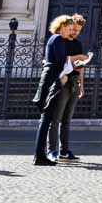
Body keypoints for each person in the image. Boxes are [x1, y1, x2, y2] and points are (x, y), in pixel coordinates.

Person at [32, 16, 76, 166]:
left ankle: (39, 155)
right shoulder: (57, 39)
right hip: (51, 81)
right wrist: (75, 62)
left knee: (45, 120)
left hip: (49, 79)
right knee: (46, 120)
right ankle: (39, 156)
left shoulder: (54, 39)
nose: (71, 32)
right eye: (69, 29)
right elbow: (59, 61)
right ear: (62, 26)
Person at [47, 13, 89, 161]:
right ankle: (52, 150)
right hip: (62, 82)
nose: (75, 33)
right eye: (74, 29)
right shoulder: (61, 41)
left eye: (78, 31)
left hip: (74, 83)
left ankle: (65, 150)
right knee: (56, 118)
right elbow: (61, 61)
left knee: (67, 119)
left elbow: (80, 67)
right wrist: (77, 58)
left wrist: (81, 85)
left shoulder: (78, 44)